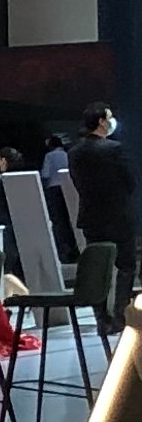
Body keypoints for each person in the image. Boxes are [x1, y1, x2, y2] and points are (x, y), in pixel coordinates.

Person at [71, 104, 135, 326]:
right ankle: (121, 315)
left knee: (97, 269)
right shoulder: (114, 148)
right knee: (125, 266)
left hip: (91, 218)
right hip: (118, 216)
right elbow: (130, 182)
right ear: (101, 121)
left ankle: (102, 319)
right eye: (109, 117)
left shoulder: (75, 152)